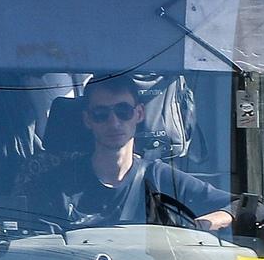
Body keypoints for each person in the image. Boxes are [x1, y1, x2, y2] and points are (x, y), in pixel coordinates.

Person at [32, 72, 234, 233]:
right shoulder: (55, 184)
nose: (114, 123)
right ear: (87, 120)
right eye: (101, 114)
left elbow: (245, 206)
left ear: (138, 114)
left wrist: (197, 227)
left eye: (123, 111)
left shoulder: (160, 177)